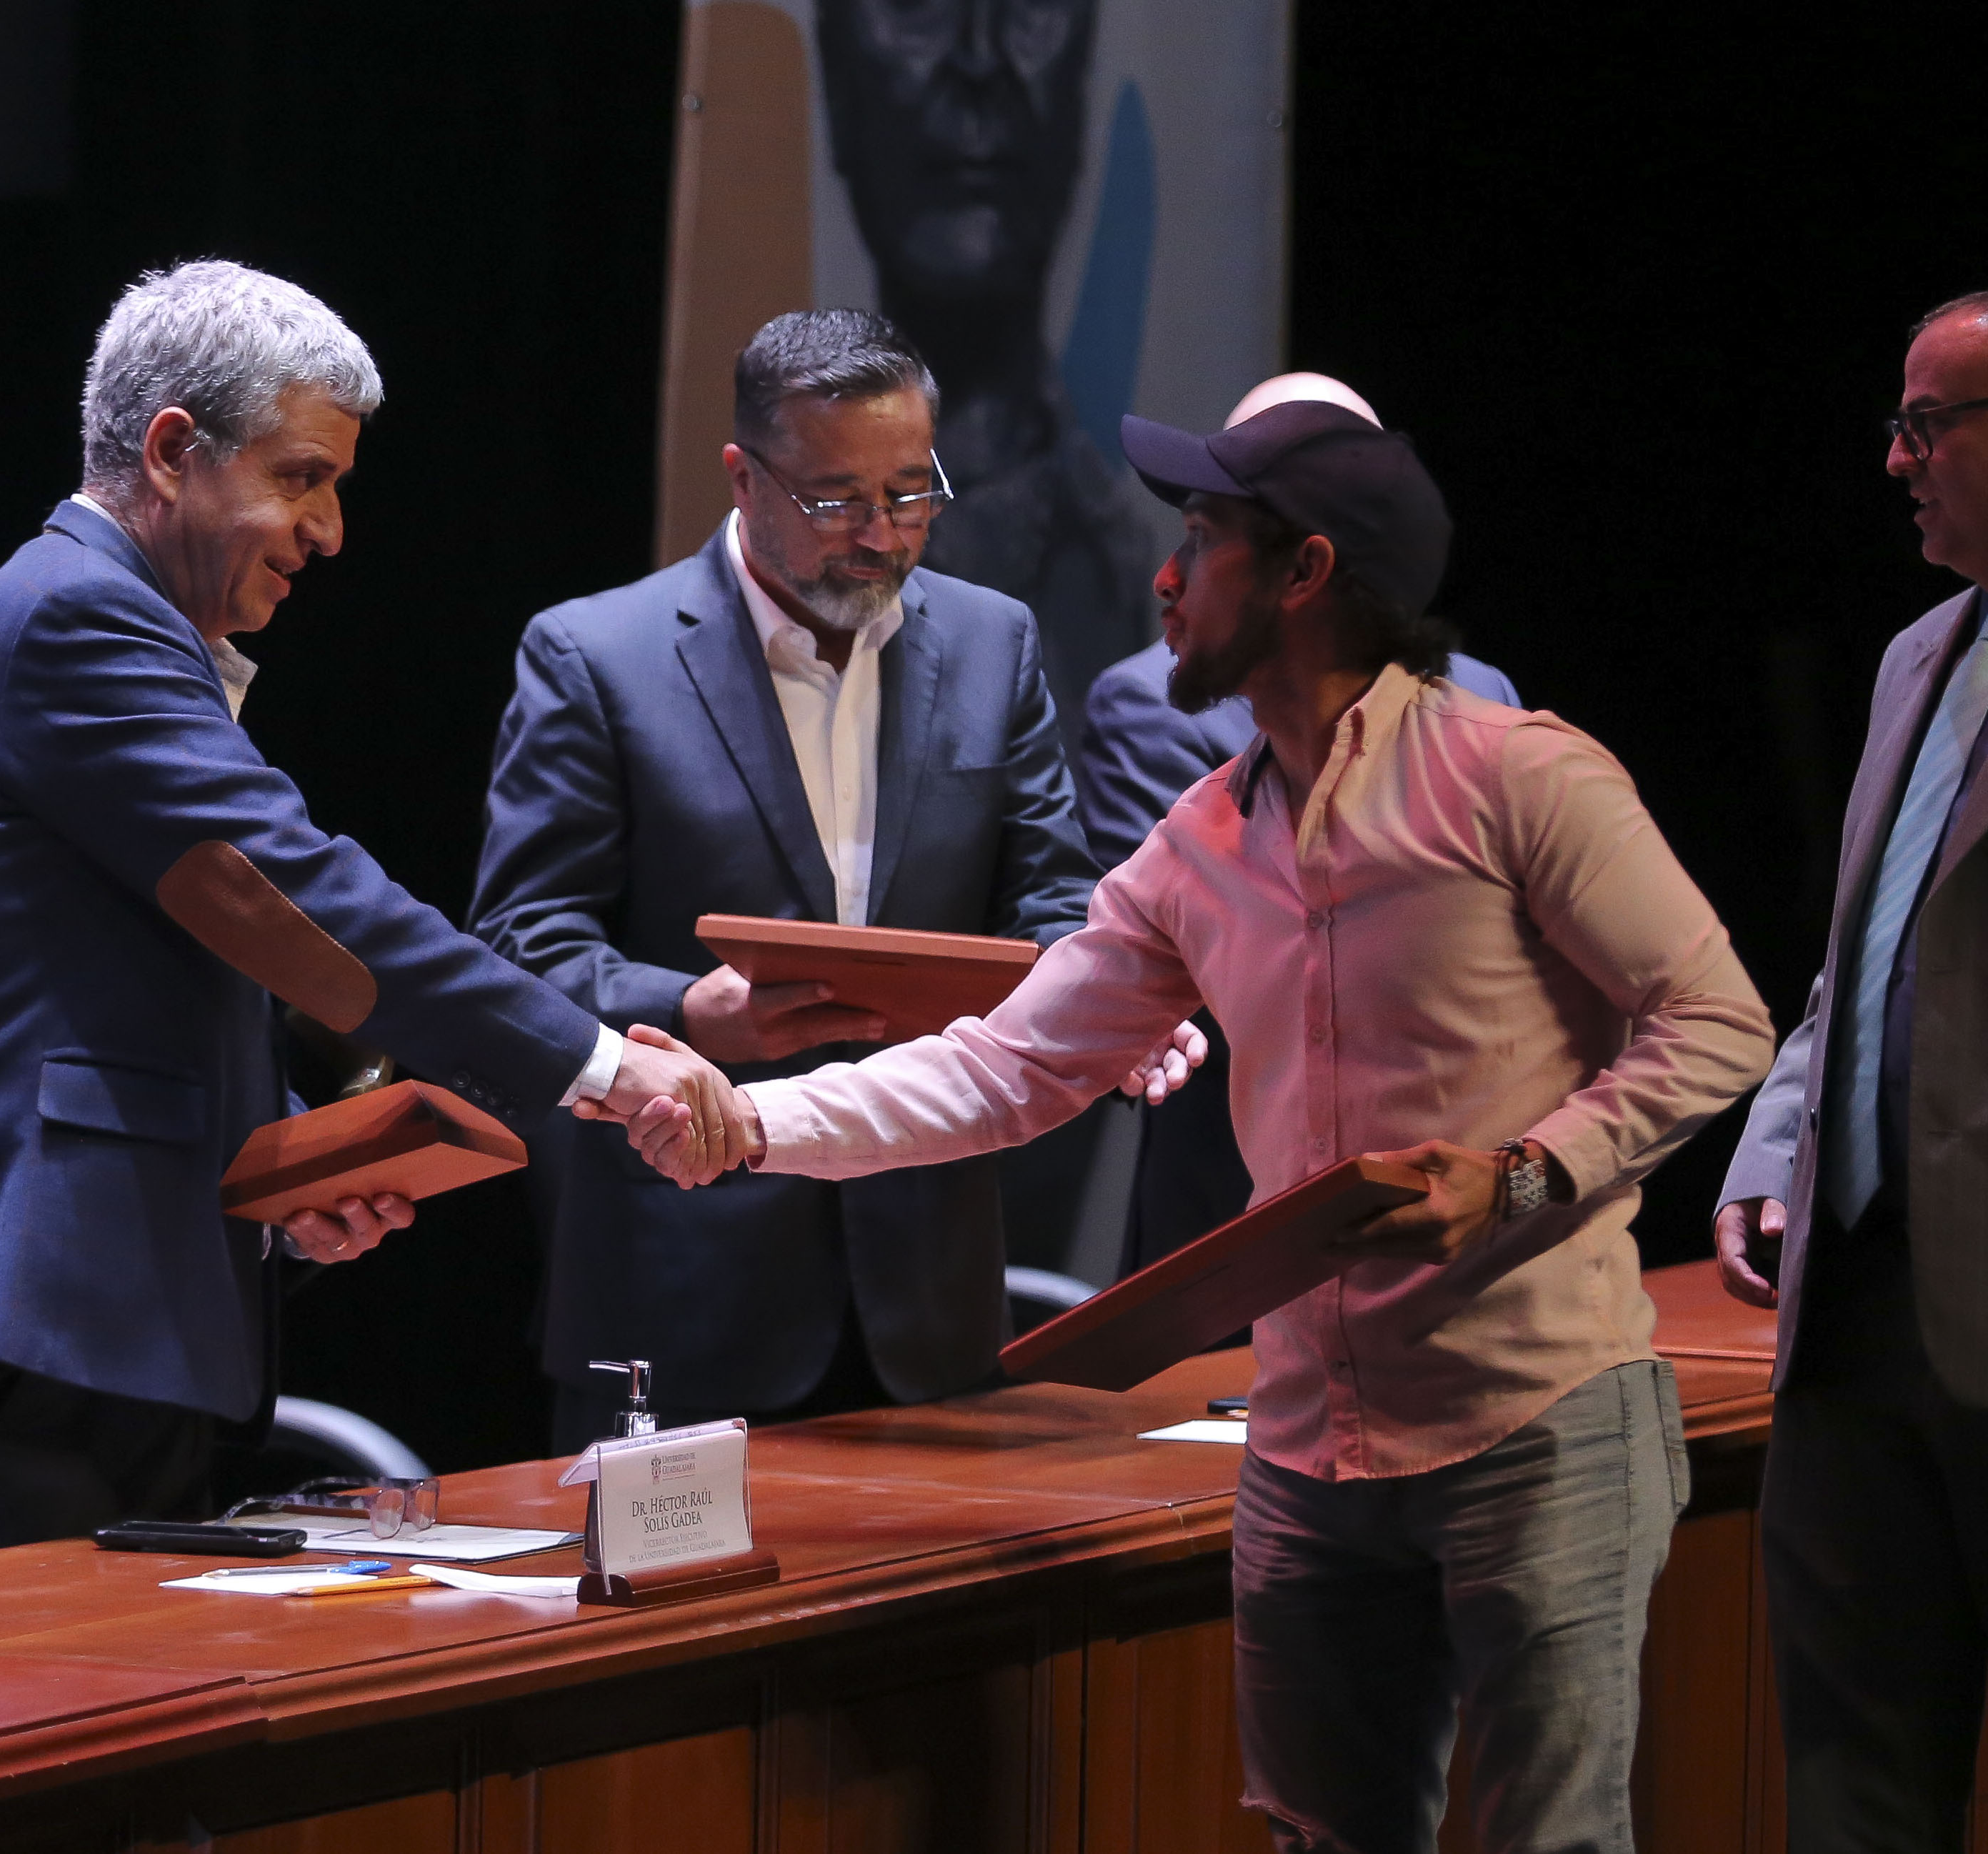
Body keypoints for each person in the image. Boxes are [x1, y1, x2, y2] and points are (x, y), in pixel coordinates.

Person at [632, 398, 1774, 1850]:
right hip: (1305, 1447)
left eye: (1199, 540)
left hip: (1533, 1421)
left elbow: (1717, 1019)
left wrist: (1524, 1173)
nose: (1163, 579)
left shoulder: (1517, 775)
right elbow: (1007, 1067)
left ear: (1303, 572)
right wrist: (746, 1119)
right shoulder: (1202, 841)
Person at [0, 261, 734, 1562]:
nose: (329, 530)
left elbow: (155, 984)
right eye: (301, 476)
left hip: (93, 1315)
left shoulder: (112, 619)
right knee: (44, 1694)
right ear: (172, 450)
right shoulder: (77, 616)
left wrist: (291, 1176)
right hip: (32, 1311)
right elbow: (302, 888)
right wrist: (598, 1064)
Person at [472, 308, 1144, 1452]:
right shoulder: (596, 655)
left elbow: (1050, 901)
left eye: (912, 492)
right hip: (681, 1290)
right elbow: (518, 945)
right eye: (837, 501)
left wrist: (1106, 1006)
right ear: (744, 477)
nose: (881, 534)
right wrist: (692, 1011)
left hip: (929, 1299)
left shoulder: (995, 642)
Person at [1713, 282, 1988, 1850]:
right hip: (1849, 1325)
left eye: (1925, 424)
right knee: (1852, 1796)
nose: (1894, 459)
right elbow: (1861, 949)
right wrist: (1774, 1140)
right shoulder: (1918, 654)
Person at [1073, 373, 1520, 1275]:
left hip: (1452, 1216)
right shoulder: (1154, 703)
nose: (1172, 576)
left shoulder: (1484, 700)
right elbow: (1174, 976)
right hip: (1240, 1219)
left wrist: (1535, 1174)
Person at [815, 0, 1152, 722]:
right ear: (838, 85)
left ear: (1079, 84)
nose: (977, 59)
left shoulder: (1136, 578)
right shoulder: (758, 558)